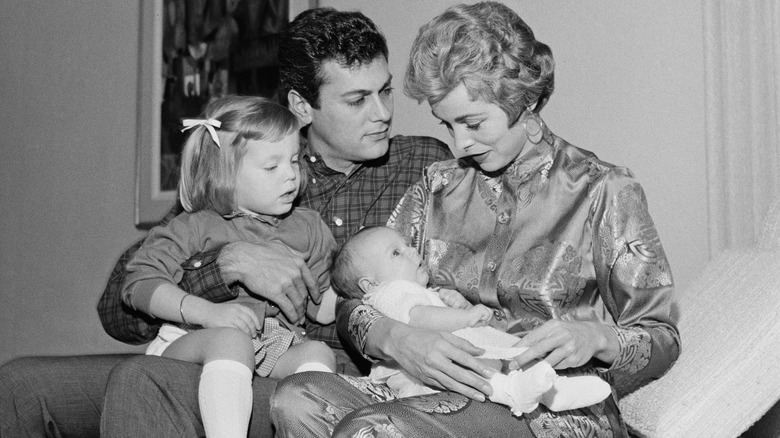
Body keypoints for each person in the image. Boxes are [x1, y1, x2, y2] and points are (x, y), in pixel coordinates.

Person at [0, 8, 451, 438]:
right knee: (20, 386)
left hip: (310, 372)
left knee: (141, 378)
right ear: (301, 106)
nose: (383, 113)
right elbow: (117, 311)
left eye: (385, 91)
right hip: (214, 353)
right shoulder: (245, 168)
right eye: (358, 99)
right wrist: (225, 265)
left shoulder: (424, 166)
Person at [270, 2, 680, 437]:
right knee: (298, 398)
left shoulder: (603, 191)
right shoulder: (436, 185)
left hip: (547, 406)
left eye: (472, 123)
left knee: (378, 429)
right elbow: (357, 292)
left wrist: (595, 339)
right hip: (429, 391)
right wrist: (395, 337)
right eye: (447, 126)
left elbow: (661, 336)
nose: (460, 145)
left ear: (524, 98)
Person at [123, 95, 339, 437]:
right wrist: (208, 314)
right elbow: (138, 283)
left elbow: (320, 307)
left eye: (295, 161)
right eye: (272, 167)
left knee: (316, 352)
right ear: (225, 174)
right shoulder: (193, 225)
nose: (291, 176)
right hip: (190, 340)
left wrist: (373, 294)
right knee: (232, 341)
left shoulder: (309, 226)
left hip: (270, 347)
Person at [330, 225, 612, 416]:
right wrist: (464, 315)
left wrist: (454, 303)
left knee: (496, 362)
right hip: (423, 379)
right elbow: (419, 317)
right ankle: (519, 392)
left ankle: (551, 392)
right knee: (482, 374)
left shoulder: (409, 289)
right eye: (396, 253)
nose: (411, 251)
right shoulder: (389, 292)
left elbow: (427, 308)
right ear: (370, 284)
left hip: (445, 361)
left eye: (405, 245)